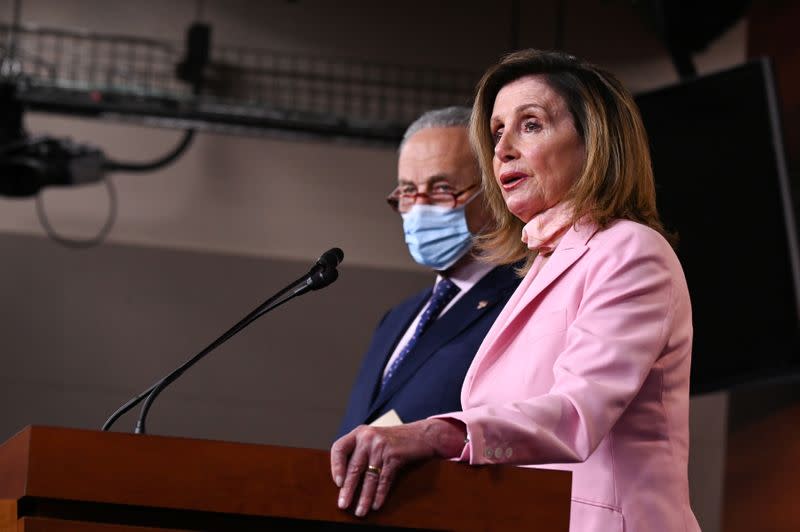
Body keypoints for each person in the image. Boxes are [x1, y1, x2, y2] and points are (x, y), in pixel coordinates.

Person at [331, 50, 700, 532]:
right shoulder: (541, 264)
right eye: (497, 131)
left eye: (530, 124)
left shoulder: (630, 250)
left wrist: (435, 434)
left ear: (594, 143)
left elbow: (574, 413)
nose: (501, 148)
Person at [336, 107, 521, 437]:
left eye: (440, 188)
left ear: (493, 191)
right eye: (408, 191)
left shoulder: (524, 302)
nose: (420, 208)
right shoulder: (396, 318)